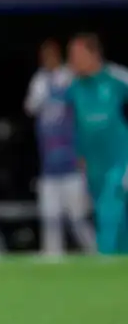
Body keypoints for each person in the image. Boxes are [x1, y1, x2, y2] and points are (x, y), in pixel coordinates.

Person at [24, 39, 96, 257]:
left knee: (77, 218)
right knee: (49, 217)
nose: (48, 61)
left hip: (72, 165)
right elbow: (30, 107)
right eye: (44, 57)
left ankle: (98, 254)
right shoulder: (39, 81)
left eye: (51, 56)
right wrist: (45, 94)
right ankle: (52, 257)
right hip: (49, 167)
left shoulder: (69, 77)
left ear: (58, 56)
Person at [65, 34, 128, 255]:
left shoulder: (117, 78)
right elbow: (76, 124)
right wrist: (79, 153)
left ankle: (107, 259)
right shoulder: (74, 87)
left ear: (94, 55)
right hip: (93, 165)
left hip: (119, 161)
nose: (72, 60)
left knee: (109, 210)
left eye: (76, 55)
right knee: (112, 215)